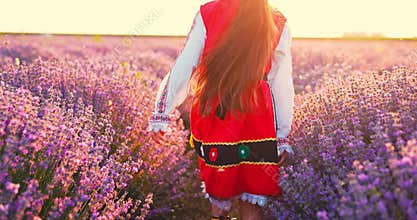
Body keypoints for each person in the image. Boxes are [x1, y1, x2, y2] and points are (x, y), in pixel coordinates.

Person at [148, 0, 295, 219]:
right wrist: (281, 133)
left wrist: (162, 111)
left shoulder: (209, 12)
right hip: (258, 113)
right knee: (252, 190)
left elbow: (186, 64)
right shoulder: (278, 20)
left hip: (218, 109)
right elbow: (281, 82)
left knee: (220, 186)